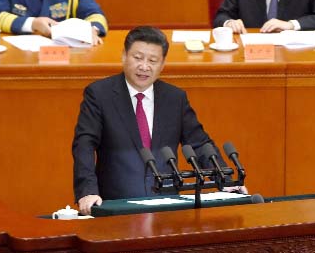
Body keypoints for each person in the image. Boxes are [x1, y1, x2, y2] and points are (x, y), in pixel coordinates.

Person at [72, 26, 246, 215]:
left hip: (167, 206)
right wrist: (87, 191)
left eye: (153, 60)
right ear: (124, 56)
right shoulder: (99, 94)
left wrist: (226, 182)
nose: (144, 66)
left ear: (162, 65)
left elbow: (200, 143)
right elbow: (84, 145)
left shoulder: (175, 98)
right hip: (117, 206)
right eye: (137, 58)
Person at [0, 0, 108, 45]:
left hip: (64, 57)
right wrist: (32, 24)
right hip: (19, 57)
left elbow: (96, 15)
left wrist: (92, 30)